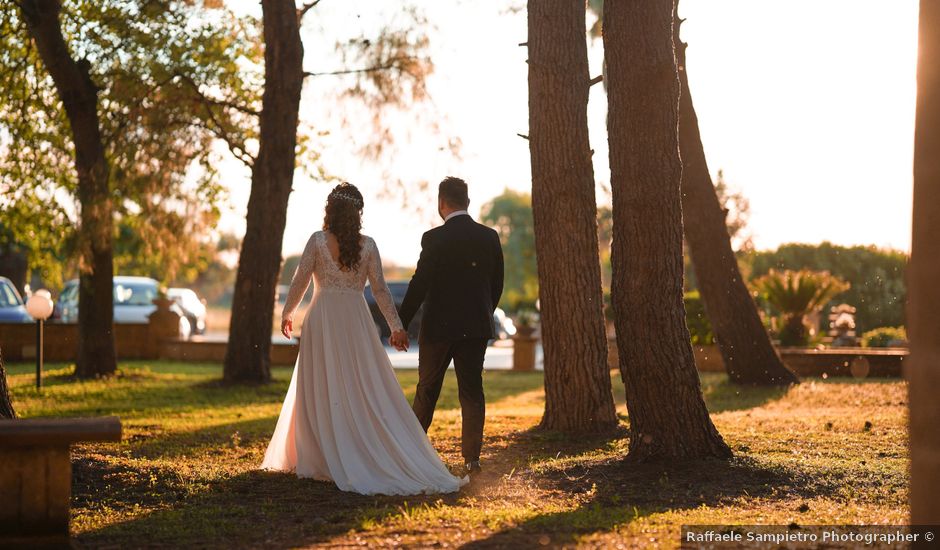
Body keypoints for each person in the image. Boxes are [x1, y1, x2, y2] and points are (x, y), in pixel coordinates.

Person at [260, 182, 467, 496]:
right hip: (355, 318)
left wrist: (287, 313)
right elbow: (381, 291)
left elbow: (301, 279)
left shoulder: (317, 241)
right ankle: (343, 446)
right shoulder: (368, 245)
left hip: (324, 315)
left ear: (330, 209)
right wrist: (396, 327)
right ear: (358, 212)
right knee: (357, 382)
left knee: (322, 381)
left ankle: (322, 452)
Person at [393, 176, 505, 476]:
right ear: (467, 201)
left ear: (442, 202)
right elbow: (497, 285)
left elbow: (419, 284)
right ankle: (472, 460)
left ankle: (412, 457)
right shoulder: (489, 237)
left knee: (427, 389)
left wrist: (399, 323)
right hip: (476, 327)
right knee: (472, 391)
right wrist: (481, 314)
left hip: (439, 328)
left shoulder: (433, 238)